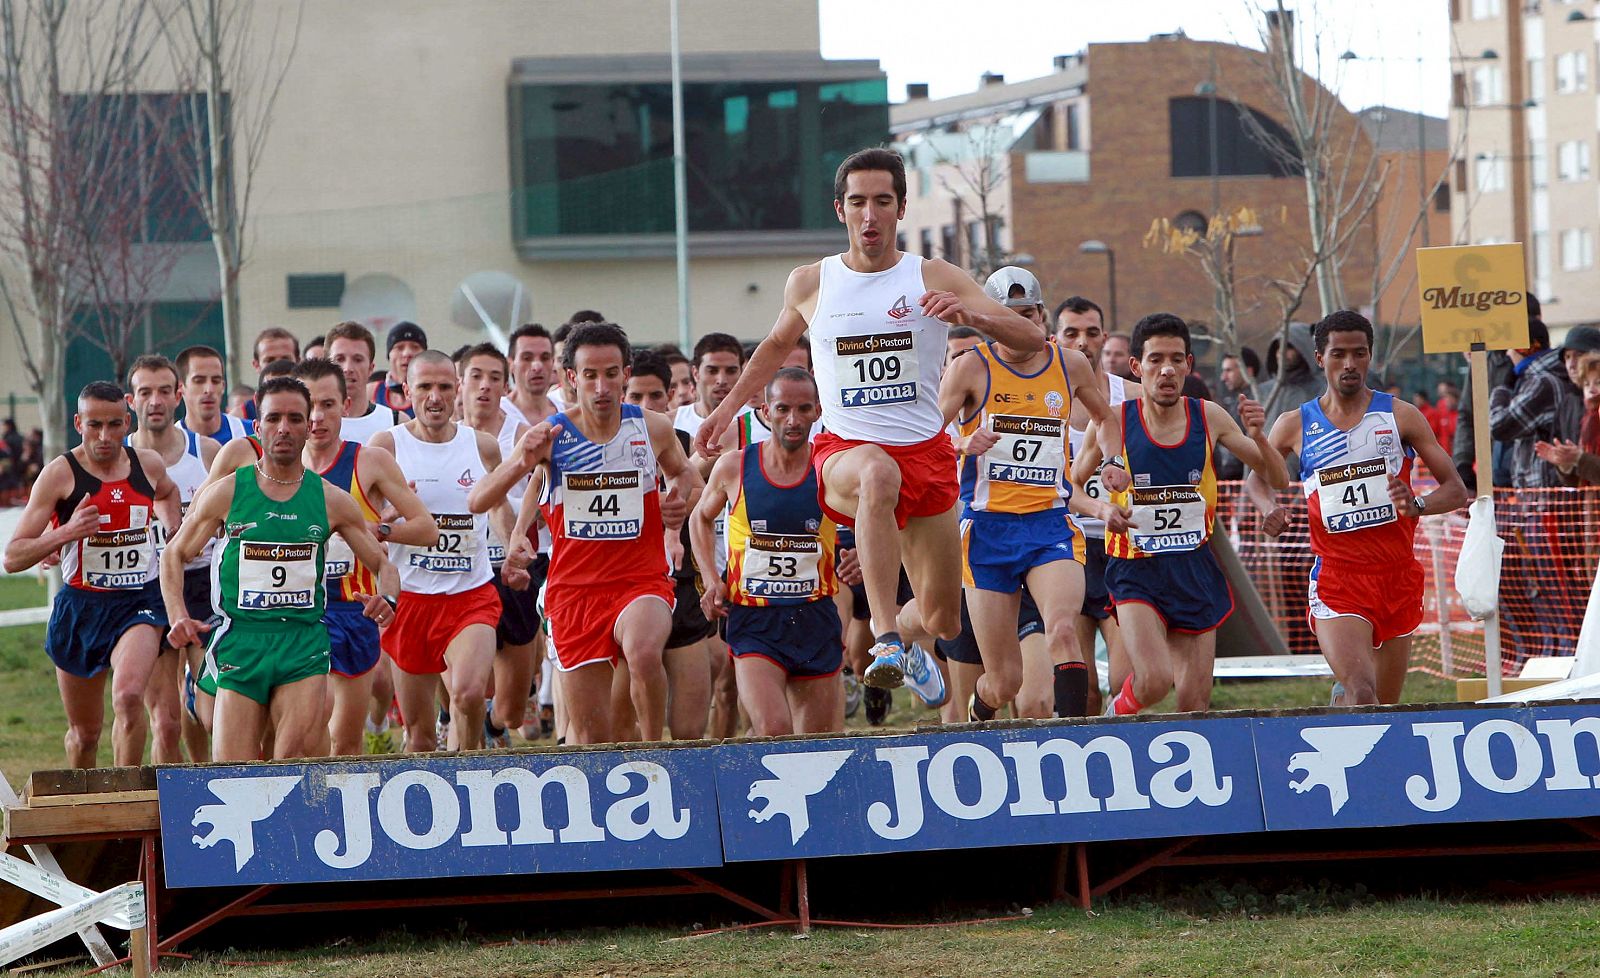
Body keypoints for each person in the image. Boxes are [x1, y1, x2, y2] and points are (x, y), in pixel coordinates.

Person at [692, 148, 1044, 692]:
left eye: (883, 201)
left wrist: (968, 314)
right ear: (840, 209)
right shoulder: (812, 282)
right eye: (858, 202)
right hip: (845, 453)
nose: (870, 215)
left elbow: (1032, 337)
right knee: (879, 474)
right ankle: (884, 636)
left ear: (901, 209)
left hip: (927, 455)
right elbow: (773, 347)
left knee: (943, 619)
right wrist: (723, 410)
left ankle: (908, 643)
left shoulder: (933, 275)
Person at [162, 376, 400, 761]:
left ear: (309, 426)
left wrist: (387, 598)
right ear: (258, 426)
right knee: (233, 772)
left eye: (294, 418)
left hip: (302, 643)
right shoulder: (229, 492)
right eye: (273, 418)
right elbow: (174, 554)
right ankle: (200, 684)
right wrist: (177, 615)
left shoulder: (331, 501)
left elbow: (382, 564)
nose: (284, 428)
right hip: (242, 639)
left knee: (289, 761)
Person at [495, 322, 701, 744]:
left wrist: (679, 503)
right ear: (571, 378)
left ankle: (656, 748)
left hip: (640, 580)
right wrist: (520, 471)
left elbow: (689, 479)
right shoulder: (553, 435)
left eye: (611, 373)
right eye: (590, 375)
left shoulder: (652, 428)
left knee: (644, 652)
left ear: (626, 373)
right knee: (595, 736)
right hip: (574, 592)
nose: (602, 385)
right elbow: (480, 500)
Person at [1250, 310, 1467, 705]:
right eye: (1338, 354)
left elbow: (1456, 490)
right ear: (1320, 357)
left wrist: (1416, 504)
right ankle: (1348, 694)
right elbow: (1258, 477)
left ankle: (1342, 713)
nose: (1349, 364)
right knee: (1363, 693)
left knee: (1384, 707)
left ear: (1370, 357)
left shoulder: (1400, 416)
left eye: (1359, 353)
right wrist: (1269, 507)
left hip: (1396, 576)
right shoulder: (1294, 423)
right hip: (1338, 577)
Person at [1076, 313, 1287, 715]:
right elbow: (1067, 489)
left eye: (1176, 359)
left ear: (1189, 364)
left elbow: (1276, 477)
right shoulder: (1115, 422)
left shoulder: (1208, 417)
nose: (1167, 369)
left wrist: (1259, 435)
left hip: (1193, 567)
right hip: (1135, 568)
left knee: (1195, 704)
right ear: (1137, 368)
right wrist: (1101, 508)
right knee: (1153, 681)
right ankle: (1113, 718)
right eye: (1155, 360)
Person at [941, 269, 1127, 721]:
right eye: (1006, 315)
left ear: (1041, 316)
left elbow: (1105, 419)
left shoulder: (1070, 364)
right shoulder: (971, 367)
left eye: (1027, 314)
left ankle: (1073, 738)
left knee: (1063, 629)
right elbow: (927, 437)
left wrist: (1113, 462)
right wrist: (964, 443)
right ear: (988, 318)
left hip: (1049, 524)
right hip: (987, 530)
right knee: (1005, 681)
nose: (1019, 324)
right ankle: (979, 709)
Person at [4, 383, 180, 768]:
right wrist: (65, 533)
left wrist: (172, 532)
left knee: (130, 697)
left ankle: (124, 807)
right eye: (94, 425)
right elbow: (13, 557)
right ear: (78, 423)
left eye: (115, 425)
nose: (104, 436)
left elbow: (167, 493)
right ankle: (86, 814)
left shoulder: (147, 465)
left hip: (140, 602)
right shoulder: (59, 475)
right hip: (81, 606)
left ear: (127, 422)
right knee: (85, 736)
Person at [369, 351, 519, 752]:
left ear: (457, 391)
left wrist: (512, 548)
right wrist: (384, 520)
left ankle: (470, 770)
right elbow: (362, 518)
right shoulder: (386, 446)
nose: (435, 397)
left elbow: (499, 504)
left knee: (469, 694)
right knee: (418, 736)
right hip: (411, 600)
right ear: (406, 392)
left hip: (470, 594)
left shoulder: (482, 446)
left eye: (444, 387)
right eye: (424, 387)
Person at [288, 358, 436, 755]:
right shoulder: (275, 469)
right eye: (309, 407)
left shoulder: (368, 462)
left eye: (328, 405)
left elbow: (427, 528)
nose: (317, 418)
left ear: (346, 405)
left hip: (356, 611)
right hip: (297, 611)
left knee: (345, 742)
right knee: (310, 722)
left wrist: (377, 530)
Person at [693, 368, 843, 735]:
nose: (793, 420)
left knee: (819, 746)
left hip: (814, 616)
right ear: (765, 411)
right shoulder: (735, 466)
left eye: (803, 409)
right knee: (775, 729)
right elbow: (699, 519)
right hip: (754, 618)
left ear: (818, 411)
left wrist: (856, 551)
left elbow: (868, 515)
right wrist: (712, 580)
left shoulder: (830, 466)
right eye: (783, 409)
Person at [125, 355, 220, 764]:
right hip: (149, 593)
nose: (155, 401)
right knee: (165, 724)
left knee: (212, 716)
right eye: (145, 392)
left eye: (164, 390)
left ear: (179, 396)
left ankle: (209, 789)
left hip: (202, 587)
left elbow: (239, 511)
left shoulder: (208, 452)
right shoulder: (120, 457)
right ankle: (170, 821)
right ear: (132, 400)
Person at [1056, 294, 1140, 712]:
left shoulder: (1133, 398)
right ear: (1055, 339)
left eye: (1091, 332)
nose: (1082, 342)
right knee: (1082, 690)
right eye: (1071, 333)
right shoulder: (1041, 400)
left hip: (1120, 545)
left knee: (1126, 678)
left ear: (1104, 338)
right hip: (1066, 549)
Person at [626, 352, 716, 739]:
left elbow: (701, 493)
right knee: (625, 731)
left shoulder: (678, 444)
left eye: (656, 396)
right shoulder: (595, 450)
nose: (647, 406)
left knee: (689, 731)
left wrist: (675, 511)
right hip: (623, 591)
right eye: (636, 397)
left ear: (671, 398)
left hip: (680, 586)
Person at [456, 344, 541, 748]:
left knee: (509, 708)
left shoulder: (521, 437)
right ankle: (453, 726)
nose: (485, 386)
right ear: (461, 383)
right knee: (466, 687)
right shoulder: (439, 438)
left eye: (494, 378)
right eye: (476, 376)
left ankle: (493, 724)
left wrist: (517, 539)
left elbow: (543, 493)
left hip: (512, 571)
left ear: (506, 386)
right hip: (456, 575)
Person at [324, 322, 406, 443]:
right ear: (326, 365)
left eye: (358, 360)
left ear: (370, 368)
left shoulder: (396, 422)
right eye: (339, 359)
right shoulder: (310, 422)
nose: (348, 368)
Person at [176, 345, 253, 445]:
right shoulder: (169, 443)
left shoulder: (251, 432)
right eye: (199, 381)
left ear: (223, 386)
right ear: (180, 387)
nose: (209, 389)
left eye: (216, 381)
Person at [675, 333, 746, 441]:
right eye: (712, 371)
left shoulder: (758, 422)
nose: (722, 380)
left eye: (731, 371)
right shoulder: (673, 422)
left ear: (741, 373)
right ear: (695, 373)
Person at [371, 321, 426, 418]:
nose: (407, 353)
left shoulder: (435, 393)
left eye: (415, 347)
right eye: (399, 347)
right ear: (389, 355)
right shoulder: (371, 393)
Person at [1213, 352, 1253, 480]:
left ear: (1248, 371)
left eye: (1229, 370)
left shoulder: (1254, 401)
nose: (1223, 377)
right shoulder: (1234, 400)